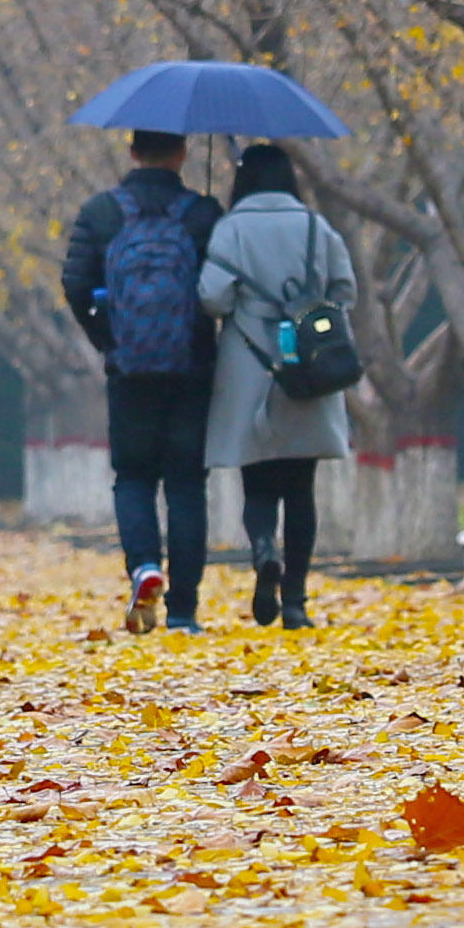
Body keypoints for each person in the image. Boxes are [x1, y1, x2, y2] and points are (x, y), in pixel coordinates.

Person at [60, 130, 217, 631]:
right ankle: (185, 610)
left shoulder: (101, 212)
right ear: (181, 153)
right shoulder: (202, 213)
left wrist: (108, 337)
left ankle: (145, 567)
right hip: (190, 367)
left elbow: (74, 281)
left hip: (129, 368)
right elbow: (220, 288)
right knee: (187, 483)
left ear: (132, 152)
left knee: (133, 477)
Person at [198, 143, 359, 626]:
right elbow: (344, 290)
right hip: (306, 368)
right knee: (301, 489)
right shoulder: (314, 226)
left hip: (250, 367)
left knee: (259, 484)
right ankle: (295, 602)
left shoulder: (231, 229)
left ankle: (264, 548)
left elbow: (212, 298)